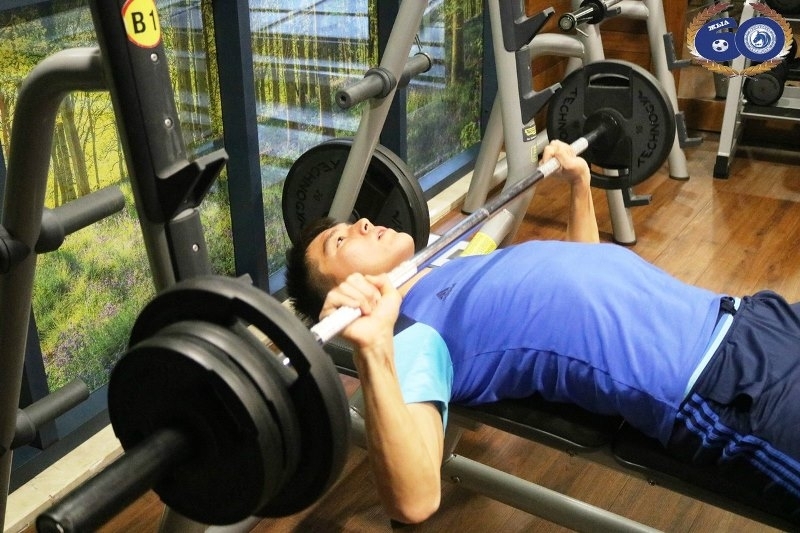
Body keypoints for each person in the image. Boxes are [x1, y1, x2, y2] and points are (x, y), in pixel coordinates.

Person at [284, 140, 800, 525]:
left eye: (351, 222)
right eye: (339, 241)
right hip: (719, 390)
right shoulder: (412, 335)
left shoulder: (448, 264)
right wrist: (374, 346)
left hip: (747, 315)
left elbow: (583, 269)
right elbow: (415, 502)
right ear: (340, 293)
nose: (363, 223)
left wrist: (578, 187)